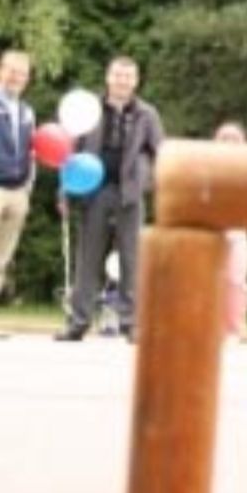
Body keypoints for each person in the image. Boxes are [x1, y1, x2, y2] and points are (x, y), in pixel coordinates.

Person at [55, 56, 164, 342]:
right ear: (108, 77)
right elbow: (70, 152)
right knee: (87, 258)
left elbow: (160, 153)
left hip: (130, 193)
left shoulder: (147, 114)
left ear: (136, 81)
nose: (122, 81)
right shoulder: (88, 110)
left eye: (128, 76)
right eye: (118, 75)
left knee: (132, 259)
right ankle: (78, 322)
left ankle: (132, 324)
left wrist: (147, 181)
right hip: (94, 191)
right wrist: (64, 191)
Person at [0, 50, 36, 305]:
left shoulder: (27, 112)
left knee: (2, 257)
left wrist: (27, 189)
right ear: (1, 70)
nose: (16, 78)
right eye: (12, 71)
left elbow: (32, 151)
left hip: (17, 192)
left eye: (22, 74)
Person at [214, 121, 247, 338]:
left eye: (234, 140)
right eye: (224, 139)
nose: (229, 144)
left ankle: (235, 328)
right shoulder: (204, 168)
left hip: (237, 233)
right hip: (211, 234)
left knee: (236, 281)